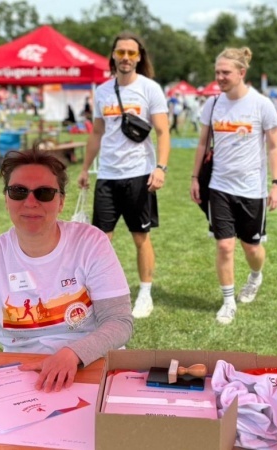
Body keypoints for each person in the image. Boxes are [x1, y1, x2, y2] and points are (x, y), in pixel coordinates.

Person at [0, 148, 133, 392]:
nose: (30, 202)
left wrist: (73, 354)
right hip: (23, 375)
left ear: (61, 201)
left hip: (91, 365)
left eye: (44, 193)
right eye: (18, 191)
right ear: (6, 199)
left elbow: (119, 321)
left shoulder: (90, 242)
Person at [77, 32, 170, 319]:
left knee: (140, 237)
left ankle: (144, 293)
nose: (126, 58)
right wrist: (84, 167)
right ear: (113, 56)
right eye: (121, 53)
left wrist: (160, 167)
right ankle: (101, 293)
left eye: (131, 53)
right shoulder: (102, 91)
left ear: (139, 56)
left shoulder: (150, 89)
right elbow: (97, 132)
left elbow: (164, 131)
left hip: (139, 175)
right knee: (100, 239)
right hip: (107, 175)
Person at [189, 47, 277, 325]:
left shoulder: (261, 104)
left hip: (252, 189)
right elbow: (203, 143)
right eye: (217, 72)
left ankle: (255, 276)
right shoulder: (213, 104)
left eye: (225, 72)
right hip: (219, 187)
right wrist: (195, 178)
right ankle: (228, 301)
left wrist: (276, 184)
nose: (220, 77)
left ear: (241, 73)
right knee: (225, 246)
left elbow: (275, 147)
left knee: (251, 248)